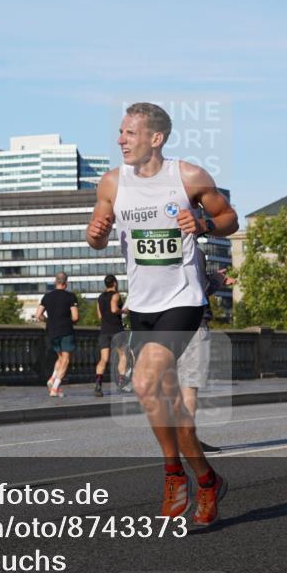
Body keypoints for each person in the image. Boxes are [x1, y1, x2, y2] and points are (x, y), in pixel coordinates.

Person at [86, 102, 239, 526]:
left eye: (129, 133)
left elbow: (229, 217)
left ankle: (174, 476)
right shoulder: (112, 182)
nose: (121, 140)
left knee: (142, 381)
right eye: (120, 132)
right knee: (178, 418)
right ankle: (207, 480)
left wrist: (205, 225)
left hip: (183, 301)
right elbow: (96, 235)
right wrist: (95, 234)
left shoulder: (187, 176)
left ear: (155, 138)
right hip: (142, 306)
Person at [178, 254, 237, 453]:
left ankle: (174, 438)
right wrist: (218, 279)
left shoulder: (164, 247)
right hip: (194, 323)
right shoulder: (193, 250)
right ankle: (188, 440)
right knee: (189, 385)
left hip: (166, 324)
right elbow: (200, 288)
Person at [35, 272, 79, 398]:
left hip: (52, 331)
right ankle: (55, 387)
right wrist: (69, 321)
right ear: (66, 283)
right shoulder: (70, 297)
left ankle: (52, 379)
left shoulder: (47, 297)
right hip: (66, 330)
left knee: (60, 357)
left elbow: (38, 315)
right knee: (66, 359)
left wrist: (48, 321)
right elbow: (75, 317)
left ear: (55, 282)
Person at [94, 274, 127, 397]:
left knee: (104, 359)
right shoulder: (116, 295)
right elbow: (114, 309)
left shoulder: (100, 297)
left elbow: (99, 316)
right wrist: (123, 311)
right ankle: (121, 384)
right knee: (122, 356)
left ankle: (98, 385)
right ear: (115, 283)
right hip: (116, 330)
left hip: (104, 331)